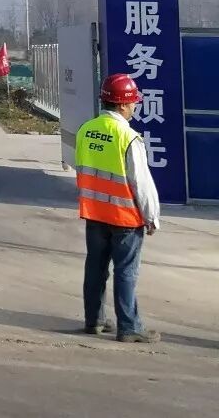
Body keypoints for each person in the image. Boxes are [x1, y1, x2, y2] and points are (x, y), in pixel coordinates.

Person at [75, 73, 161, 343]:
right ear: (123, 104)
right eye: (133, 101)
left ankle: (94, 320)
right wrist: (151, 217)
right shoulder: (128, 137)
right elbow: (141, 182)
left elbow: (82, 168)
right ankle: (129, 327)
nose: (135, 106)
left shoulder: (86, 130)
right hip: (124, 217)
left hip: (94, 213)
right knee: (126, 271)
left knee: (95, 267)